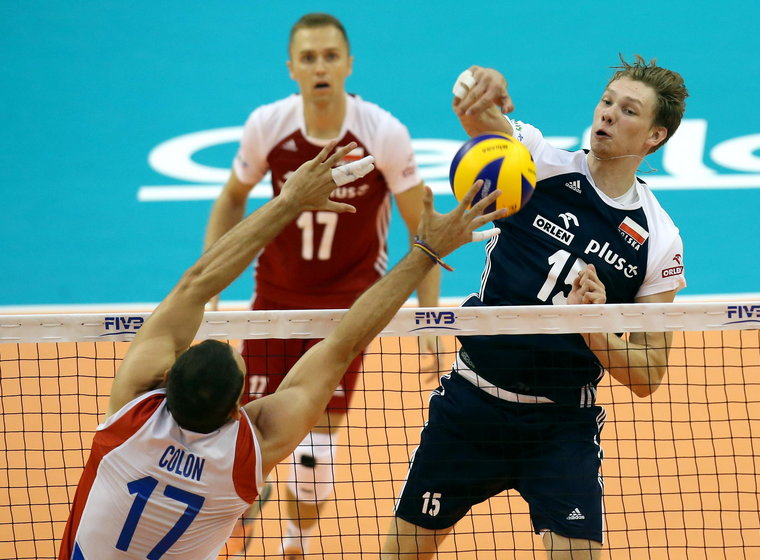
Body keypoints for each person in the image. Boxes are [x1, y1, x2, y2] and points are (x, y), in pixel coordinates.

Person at [59, 141, 504, 560]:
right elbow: (342, 343)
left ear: (166, 378)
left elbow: (196, 284)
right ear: (239, 409)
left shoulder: (132, 413)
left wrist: (288, 200)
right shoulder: (248, 453)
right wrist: (425, 251)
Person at [381, 55, 689, 560]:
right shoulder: (541, 162)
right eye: (607, 101)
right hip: (471, 408)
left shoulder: (659, 238)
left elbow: (649, 373)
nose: (608, 114)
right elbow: (479, 118)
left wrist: (595, 328)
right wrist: (486, 86)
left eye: (628, 111)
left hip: (560, 426)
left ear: (655, 136)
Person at [202, 13, 439, 557]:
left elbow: (423, 229)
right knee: (244, 441)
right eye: (309, 58)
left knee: (315, 451)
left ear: (349, 64)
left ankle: (295, 544)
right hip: (273, 305)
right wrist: (213, 280)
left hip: (346, 313)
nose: (321, 67)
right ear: (292, 69)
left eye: (331, 56)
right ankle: (228, 538)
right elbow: (232, 197)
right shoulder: (269, 124)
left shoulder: (383, 133)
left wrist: (429, 321)